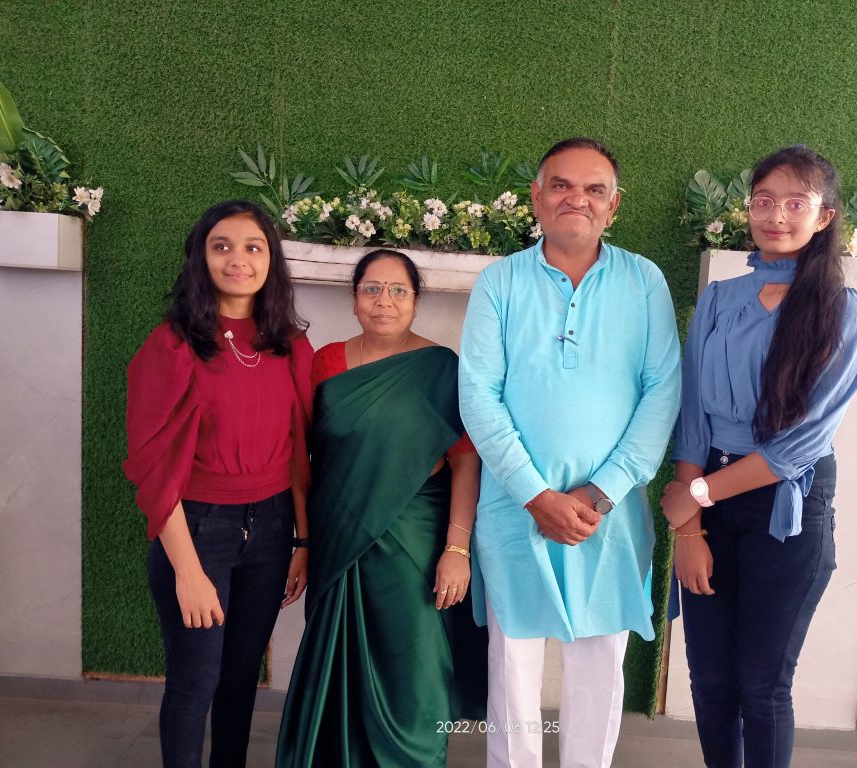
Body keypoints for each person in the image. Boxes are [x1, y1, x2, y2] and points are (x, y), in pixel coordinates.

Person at [459, 137, 682, 768]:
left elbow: (663, 389)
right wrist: (536, 495)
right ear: (536, 197)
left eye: (593, 189)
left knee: (600, 665)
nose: (575, 199)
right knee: (512, 669)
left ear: (613, 206)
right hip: (515, 508)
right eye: (560, 185)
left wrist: (601, 491)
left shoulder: (643, 281)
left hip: (608, 513)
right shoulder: (500, 282)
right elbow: (478, 395)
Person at [663, 145, 857, 768]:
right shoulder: (718, 299)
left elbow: (798, 447)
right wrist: (689, 529)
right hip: (708, 498)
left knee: (762, 685)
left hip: (789, 507)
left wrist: (696, 497)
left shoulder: (843, 311)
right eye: (763, 201)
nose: (776, 215)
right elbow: (692, 414)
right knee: (710, 682)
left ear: (824, 216)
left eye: (795, 203)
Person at [276, 249, 487, 768]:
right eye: (371, 289)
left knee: (415, 670)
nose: (384, 301)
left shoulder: (442, 368)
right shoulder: (325, 362)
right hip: (340, 537)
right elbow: (301, 459)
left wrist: (457, 549)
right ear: (354, 300)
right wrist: (303, 542)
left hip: (416, 540)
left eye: (398, 291)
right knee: (341, 667)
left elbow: (466, 462)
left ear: (415, 301)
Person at [123, 199, 313, 768]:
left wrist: (302, 541)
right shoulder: (172, 345)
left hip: (273, 527)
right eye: (221, 246)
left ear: (271, 261)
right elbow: (154, 467)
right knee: (195, 682)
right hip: (197, 529)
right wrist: (187, 571)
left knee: (239, 679)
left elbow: (300, 453)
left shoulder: (289, 345)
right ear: (200, 259)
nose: (238, 259)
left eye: (253, 247)